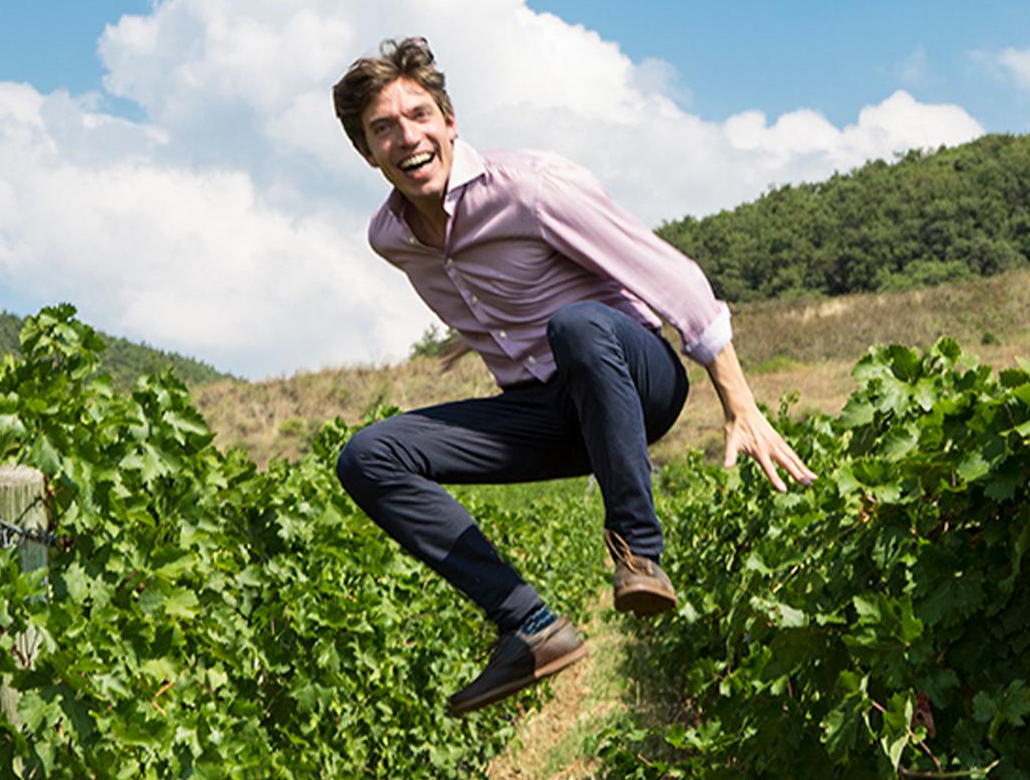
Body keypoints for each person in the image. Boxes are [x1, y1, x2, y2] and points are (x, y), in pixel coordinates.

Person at [330, 37, 815, 717]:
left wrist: (739, 404)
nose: (405, 137)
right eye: (383, 128)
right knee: (367, 456)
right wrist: (475, 337)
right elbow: (477, 290)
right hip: (545, 410)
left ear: (449, 121)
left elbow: (673, 279)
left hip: (633, 375)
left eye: (418, 116)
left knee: (577, 326)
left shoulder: (532, 187)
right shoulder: (393, 238)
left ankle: (639, 555)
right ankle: (529, 628)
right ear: (366, 151)